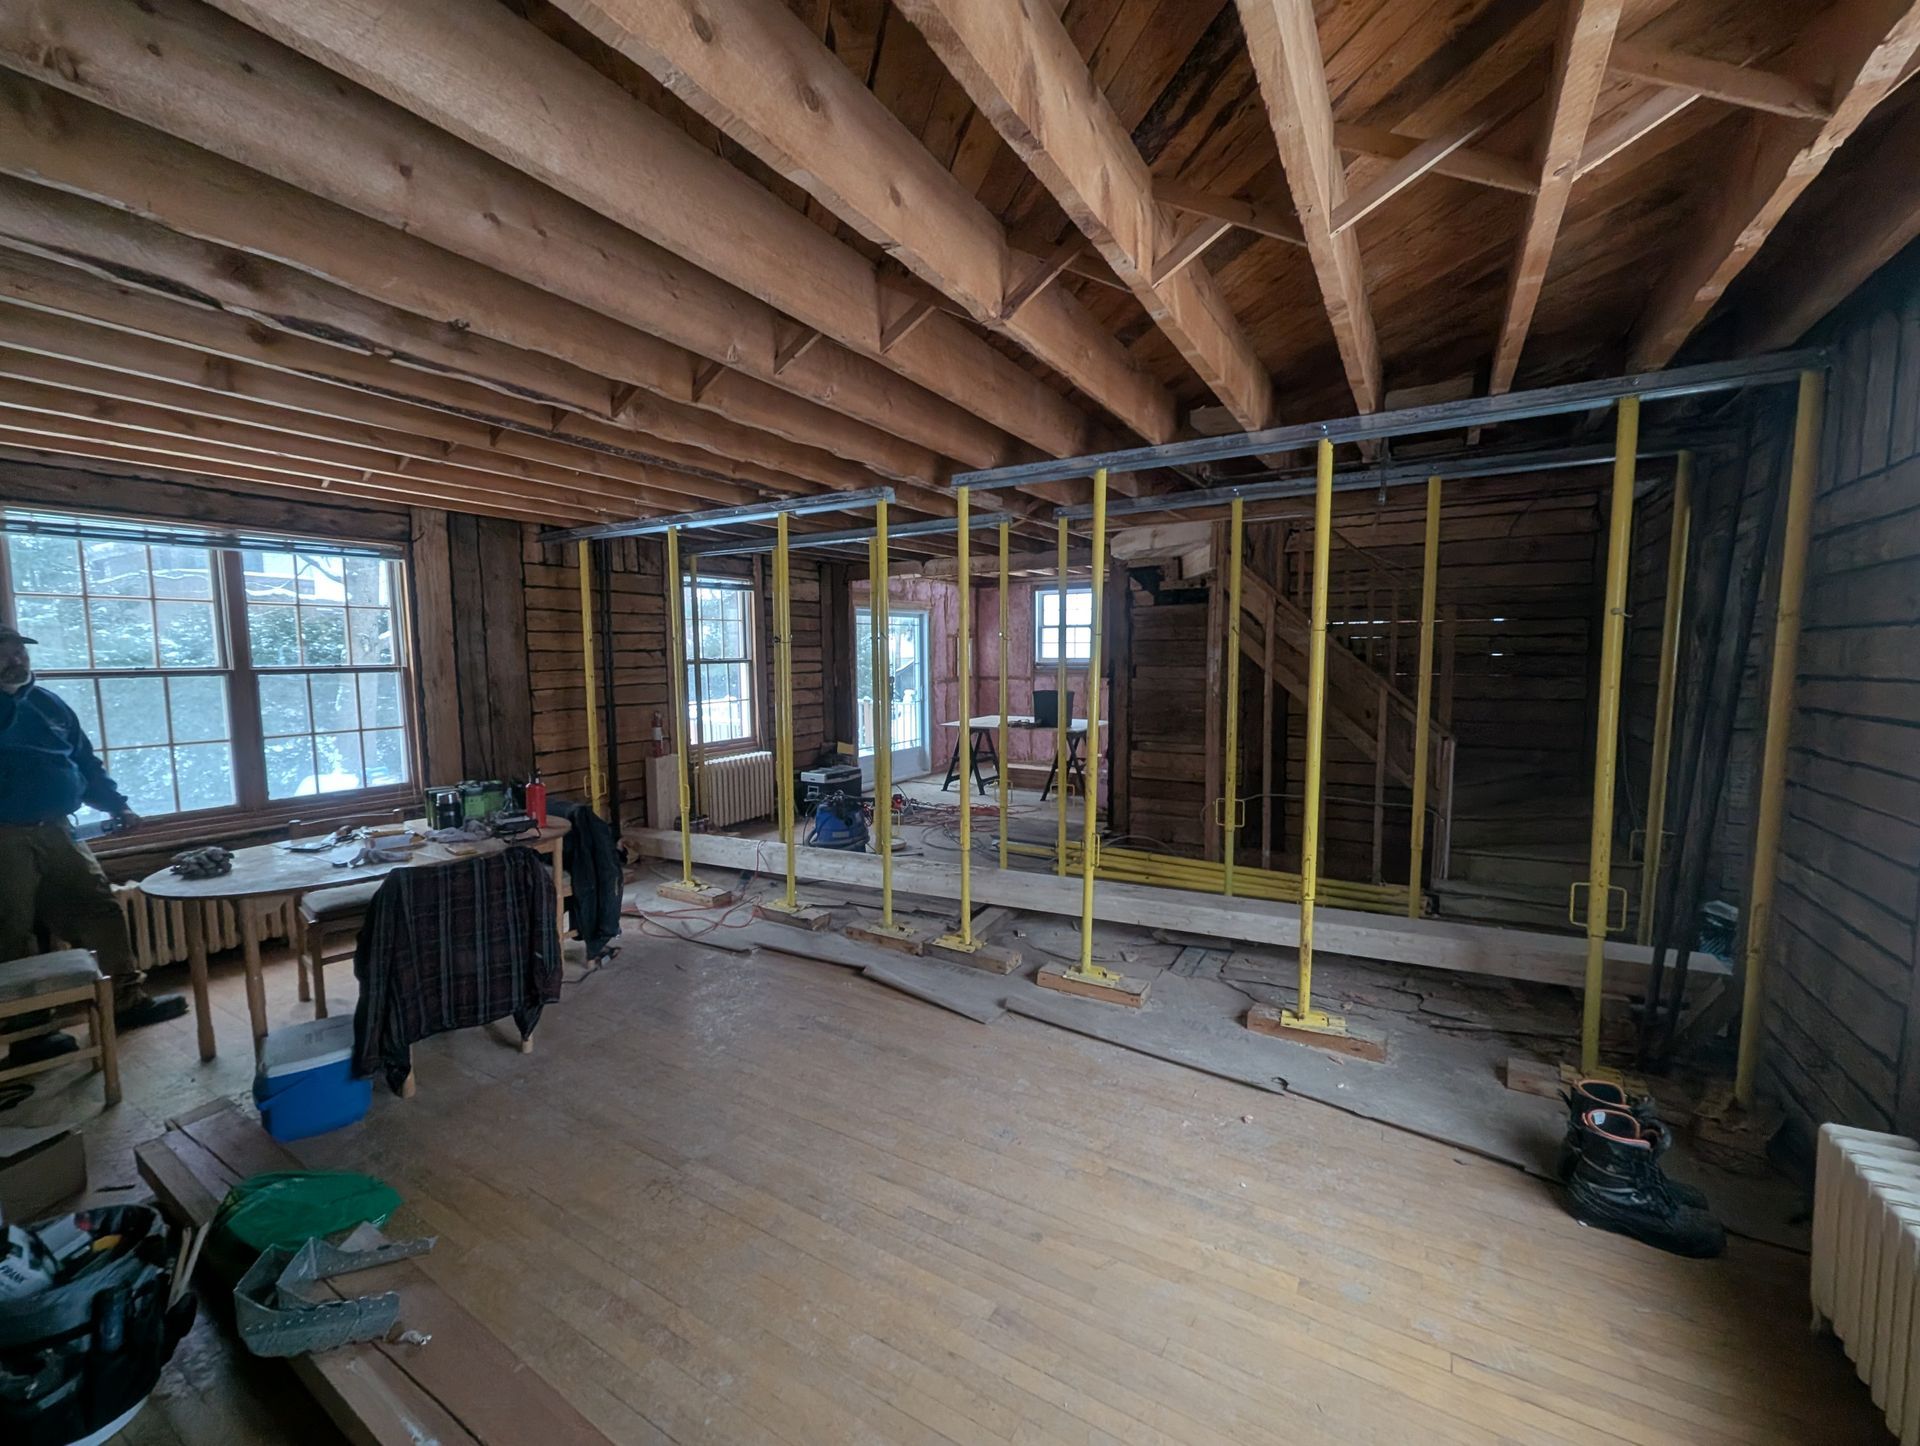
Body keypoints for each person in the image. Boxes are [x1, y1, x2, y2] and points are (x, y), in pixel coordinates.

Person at [0, 622, 187, 1064]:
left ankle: (126, 1001)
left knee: (98, 907)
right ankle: (27, 1033)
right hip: (4, 836)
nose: (17, 661)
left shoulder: (50, 706)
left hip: (58, 828)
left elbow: (83, 762)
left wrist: (116, 806)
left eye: (20, 653)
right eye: (5, 654)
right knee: (11, 930)